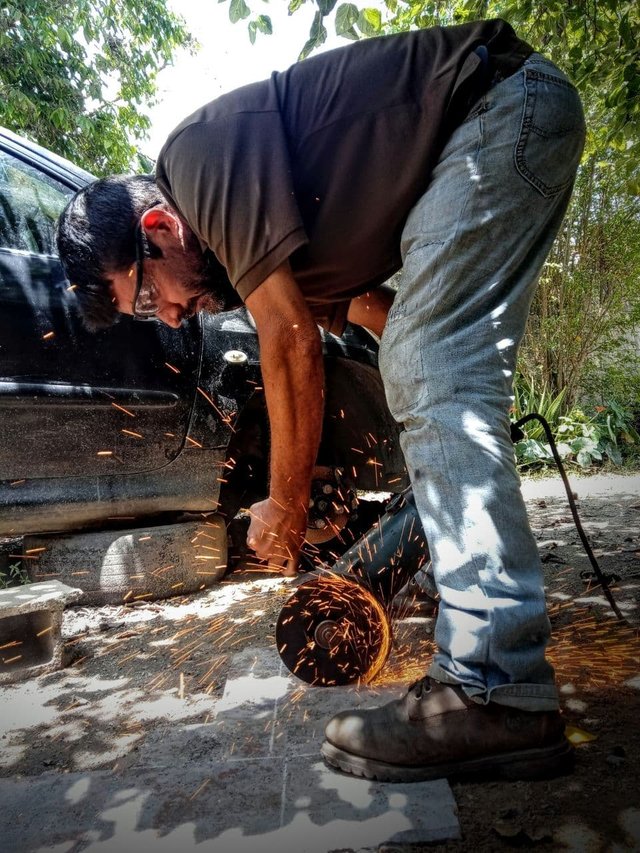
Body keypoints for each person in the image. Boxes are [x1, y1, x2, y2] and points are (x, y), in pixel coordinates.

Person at [57, 18, 585, 783]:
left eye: (144, 297)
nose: (166, 316)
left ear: (159, 228)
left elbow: (293, 341)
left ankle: (496, 688)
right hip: (513, 115)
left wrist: (287, 501)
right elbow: (374, 312)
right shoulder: (254, 256)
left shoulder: (195, 160)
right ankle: (472, 597)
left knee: (432, 366)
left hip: (499, 107)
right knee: (429, 364)